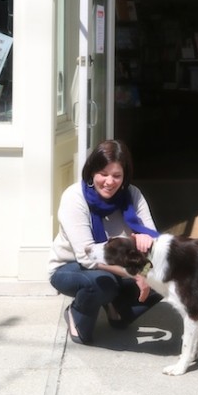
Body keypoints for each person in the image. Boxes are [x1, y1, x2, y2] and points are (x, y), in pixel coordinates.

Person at [49, 139, 162, 344]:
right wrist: (138, 273)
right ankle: (76, 313)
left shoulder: (133, 195)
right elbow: (86, 256)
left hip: (117, 266)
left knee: (164, 274)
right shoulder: (75, 198)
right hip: (72, 267)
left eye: (117, 175)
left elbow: (155, 244)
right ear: (92, 172)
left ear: (124, 177)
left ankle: (116, 309)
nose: (109, 182)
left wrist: (147, 239)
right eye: (103, 174)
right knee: (102, 283)